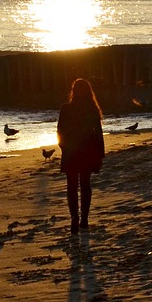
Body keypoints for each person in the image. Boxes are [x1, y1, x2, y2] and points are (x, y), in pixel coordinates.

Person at [57, 77, 105, 235]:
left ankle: (76, 218)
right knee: (84, 185)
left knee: (73, 186)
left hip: (74, 151)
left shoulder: (67, 108)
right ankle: (81, 219)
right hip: (84, 151)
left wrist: (63, 146)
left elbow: (60, 131)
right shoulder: (91, 109)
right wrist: (100, 152)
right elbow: (98, 133)